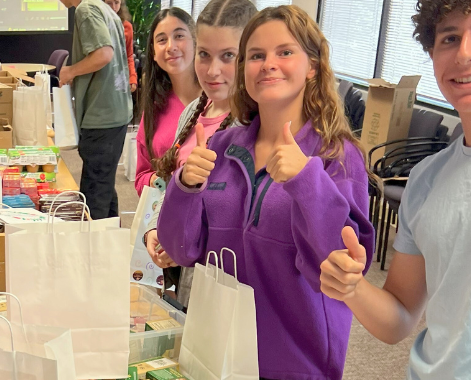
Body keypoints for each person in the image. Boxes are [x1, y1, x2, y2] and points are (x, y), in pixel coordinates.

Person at [319, 1, 471, 378]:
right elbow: (400, 316)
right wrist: (353, 287)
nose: (465, 53)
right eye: (450, 38)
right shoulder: (425, 179)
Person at [158, 5, 374, 379]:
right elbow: (183, 249)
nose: (268, 64)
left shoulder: (337, 157)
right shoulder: (221, 147)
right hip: (218, 353)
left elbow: (341, 268)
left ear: (312, 66)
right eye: (256, 55)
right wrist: (185, 188)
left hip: (295, 363)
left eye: (285, 52)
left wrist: (307, 180)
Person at [142, 0, 257, 308]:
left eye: (228, 56)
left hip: (226, 286)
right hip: (187, 278)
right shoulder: (195, 110)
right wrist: (158, 226)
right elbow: (168, 184)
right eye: (204, 55)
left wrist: (184, 233)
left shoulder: (254, 125)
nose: (212, 70)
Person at [58, 0, 133, 219]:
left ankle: (95, 249)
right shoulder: (105, 9)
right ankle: (111, 244)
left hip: (102, 114)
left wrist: (71, 71)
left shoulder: (86, 9)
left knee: (94, 195)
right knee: (104, 187)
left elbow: (104, 54)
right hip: (115, 112)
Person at [134, 7, 201, 196]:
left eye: (179, 36)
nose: (171, 46)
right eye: (162, 40)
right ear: (154, 53)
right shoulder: (155, 109)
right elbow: (141, 178)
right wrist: (158, 180)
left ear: (196, 42)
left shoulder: (219, 101)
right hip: (169, 214)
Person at [103, 0, 138, 92]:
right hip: (102, 75)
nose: (114, 7)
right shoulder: (98, 24)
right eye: (109, 3)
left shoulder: (127, 27)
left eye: (117, 3)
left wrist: (132, 77)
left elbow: (129, 55)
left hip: (119, 76)